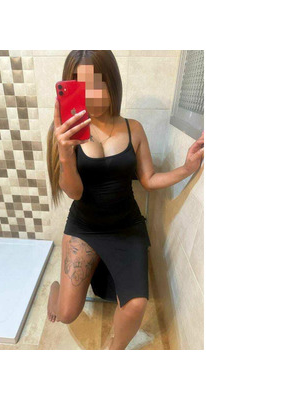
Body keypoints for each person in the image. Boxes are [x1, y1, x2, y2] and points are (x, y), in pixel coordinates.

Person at [46, 50, 204, 350]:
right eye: (82, 86)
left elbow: (148, 179)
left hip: (126, 227)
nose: (92, 94)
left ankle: (113, 351)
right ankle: (57, 291)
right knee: (65, 313)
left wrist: (187, 168)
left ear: (112, 81)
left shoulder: (134, 128)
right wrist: (65, 154)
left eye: (98, 83)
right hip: (85, 227)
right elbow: (75, 193)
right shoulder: (67, 133)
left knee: (135, 305)